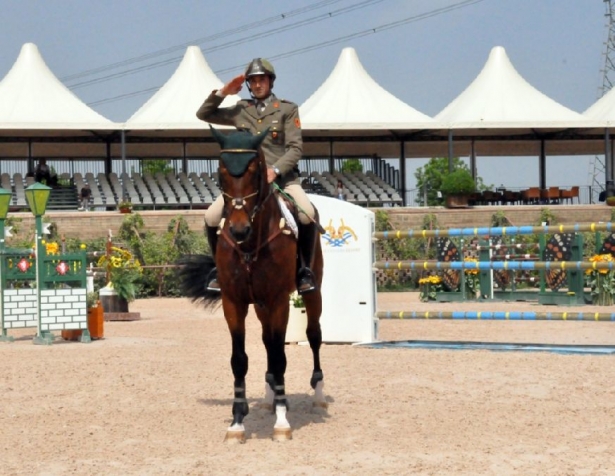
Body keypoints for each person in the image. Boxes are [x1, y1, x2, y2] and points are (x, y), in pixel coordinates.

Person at [196, 57, 318, 295]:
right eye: (253, 81)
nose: (258, 84)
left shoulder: (286, 109)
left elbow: (295, 148)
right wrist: (223, 92)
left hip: (282, 180)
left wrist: (276, 170)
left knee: (307, 214)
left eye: (262, 79)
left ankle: (304, 271)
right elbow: (203, 114)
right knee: (211, 217)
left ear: (270, 82)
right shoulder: (241, 109)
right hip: (248, 185)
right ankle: (217, 270)